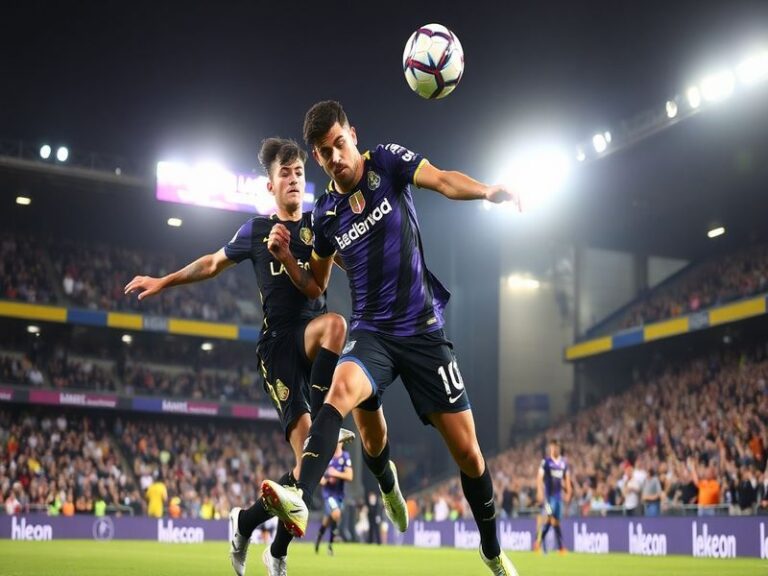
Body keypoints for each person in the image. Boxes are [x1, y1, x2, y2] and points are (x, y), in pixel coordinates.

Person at [261, 100, 521, 575]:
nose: (335, 156)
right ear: (318, 159)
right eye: (325, 152)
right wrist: (291, 259)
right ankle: (321, 492)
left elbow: (441, 180)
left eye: (340, 143)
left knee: (469, 453)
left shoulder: (387, 162)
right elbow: (317, 286)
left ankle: (490, 548)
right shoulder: (325, 216)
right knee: (348, 408)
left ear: (353, 135)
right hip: (372, 333)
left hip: (422, 331)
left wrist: (486, 191)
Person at [124, 137, 354, 576]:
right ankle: (255, 529)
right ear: (270, 186)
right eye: (284, 173)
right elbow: (210, 264)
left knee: (311, 460)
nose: (293, 179)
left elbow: (351, 260)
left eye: (299, 173)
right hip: (278, 349)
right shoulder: (254, 231)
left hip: (314, 338)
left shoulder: (319, 225)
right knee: (309, 456)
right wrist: (163, 281)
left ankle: (256, 532)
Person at [315, 441, 353, 555]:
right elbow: (320, 477)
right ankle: (332, 543)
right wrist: (325, 480)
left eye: (340, 441)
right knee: (336, 513)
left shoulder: (345, 456)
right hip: (328, 494)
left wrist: (335, 474)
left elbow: (350, 476)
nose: (337, 443)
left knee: (327, 521)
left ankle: (320, 538)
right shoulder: (327, 456)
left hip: (339, 495)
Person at [534, 440, 571, 554]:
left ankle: (539, 543)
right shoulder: (546, 462)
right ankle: (558, 547)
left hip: (559, 498)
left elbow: (567, 479)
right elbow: (539, 477)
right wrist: (539, 491)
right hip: (549, 499)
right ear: (551, 448)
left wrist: (569, 492)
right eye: (553, 447)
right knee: (550, 518)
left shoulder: (564, 463)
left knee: (555, 522)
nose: (555, 449)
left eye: (557, 447)